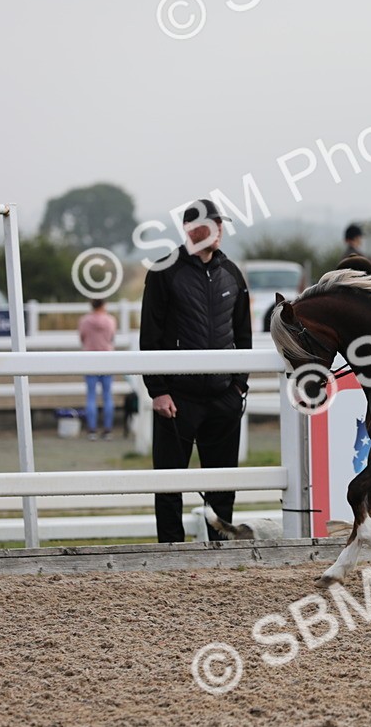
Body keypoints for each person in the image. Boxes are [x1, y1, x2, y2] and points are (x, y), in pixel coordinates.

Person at [140, 198, 252, 543]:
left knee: (222, 483)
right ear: (192, 229)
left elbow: (243, 333)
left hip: (223, 398)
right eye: (212, 223)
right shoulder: (163, 272)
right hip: (178, 398)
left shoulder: (231, 272)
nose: (219, 229)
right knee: (170, 481)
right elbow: (151, 334)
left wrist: (239, 388)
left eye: (220, 223)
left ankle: (219, 549)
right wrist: (157, 390)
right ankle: (170, 550)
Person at [78, 298, 118, 440]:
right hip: (107, 359)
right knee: (107, 396)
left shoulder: (85, 321)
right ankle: (107, 429)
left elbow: (82, 338)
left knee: (91, 396)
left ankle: (92, 430)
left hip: (90, 360)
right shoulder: (110, 320)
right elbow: (112, 337)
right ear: (104, 305)